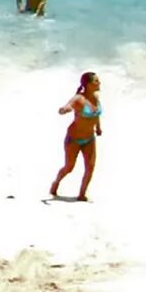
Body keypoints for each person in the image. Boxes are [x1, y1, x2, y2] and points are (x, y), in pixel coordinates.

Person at [49, 71, 101, 200]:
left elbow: (96, 114)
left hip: (90, 138)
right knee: (69, 167)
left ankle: (82, 194)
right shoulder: (79, 98)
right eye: (96, 81)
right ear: (88, 84)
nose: (99, 83)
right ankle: (55, 183)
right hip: (74, 140)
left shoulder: (95, 97)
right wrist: (64, 109)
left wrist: (98, 127)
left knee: (90, 167)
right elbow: (68, 105)